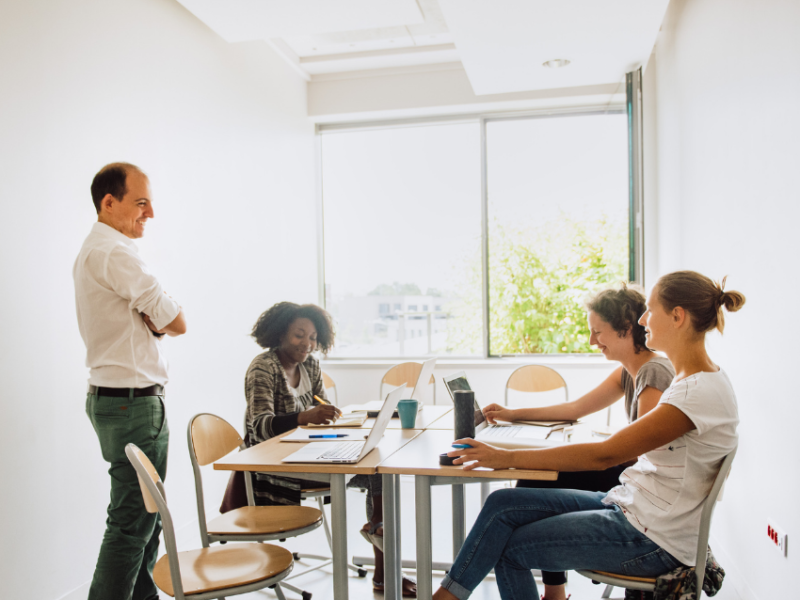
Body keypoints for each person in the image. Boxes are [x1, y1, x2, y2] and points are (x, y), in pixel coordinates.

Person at [434, 271, 744, 600]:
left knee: (509, 550)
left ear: (677, 317)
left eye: (650, 310)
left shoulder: (692, 391)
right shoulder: (691, 382)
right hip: (634, 510)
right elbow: (585, 417)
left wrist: (504, 458)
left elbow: (606, 455)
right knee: (501, 504)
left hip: (654, 538)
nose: (643, 319)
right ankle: (448, 595)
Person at [481, 283, 675, 599]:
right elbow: (575, 408)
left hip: (640, 488)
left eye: (598, 332)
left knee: (543, 478)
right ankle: (554, 592)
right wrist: (513, 414)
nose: (591, 341)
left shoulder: (653, 372)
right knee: (539, 480)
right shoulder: (630, 370)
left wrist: (593, 448)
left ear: (626, 329)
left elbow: (641, 454)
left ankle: (553, 592)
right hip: (635, 478)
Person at [245, 302, 417, 596]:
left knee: (381, 469)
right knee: (379, 474)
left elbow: (320, 407)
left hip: (307, 452)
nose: (307, 344)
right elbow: (258, 426)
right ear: (279, 332)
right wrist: (303, 418)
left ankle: (381, 550)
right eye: (299, 335)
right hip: (275, 465)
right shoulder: (263, 367)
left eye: (313, 337)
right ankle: (382, 559)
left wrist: (337, 420)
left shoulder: (310, 364)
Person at [75, 162, 187, 600]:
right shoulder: (114, 253)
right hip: (134, 405)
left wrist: (156, 317)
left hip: (115, 400)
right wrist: (160, 317)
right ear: (109, 202)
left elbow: (162, 318)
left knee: (146, 517)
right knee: (132, 523)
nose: (151, 214)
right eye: (141, 203)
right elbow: (176, 321)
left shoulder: (96, 250)